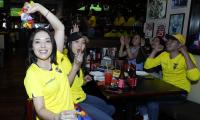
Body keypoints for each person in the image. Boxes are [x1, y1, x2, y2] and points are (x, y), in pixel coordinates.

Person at [23, 2, 77, 120]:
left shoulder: (56, 58)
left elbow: (60, 28)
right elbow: (40, 109)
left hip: (71, 114)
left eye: (47, 41)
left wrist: (38, 7)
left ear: (52, 45)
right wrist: (58, 117)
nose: (43, 46)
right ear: (32, 47)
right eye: (37, 42)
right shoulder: (33, 74)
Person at [142, 33, 200, 120]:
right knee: (139, 97)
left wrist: (185, 54)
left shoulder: (186, 57)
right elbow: (147, 66)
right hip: (164, 90)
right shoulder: (164, 55)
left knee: (152, 102)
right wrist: (155, 50)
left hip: (179, 93)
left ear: (180, 45)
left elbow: (194, 77)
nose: (168, 42)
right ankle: (146, 117)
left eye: (173, 41)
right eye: (168, 40)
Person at [65, 26, 115, 120]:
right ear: (69, 44)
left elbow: (76, 83)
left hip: (82, 96)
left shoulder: (77, 59)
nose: (80, 45)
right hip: (73, 102)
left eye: (82, 43)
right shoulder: (64, 59)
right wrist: (72, 36)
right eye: (76, 42)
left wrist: (84, 81)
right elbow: (65, 86)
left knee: (111, 109)